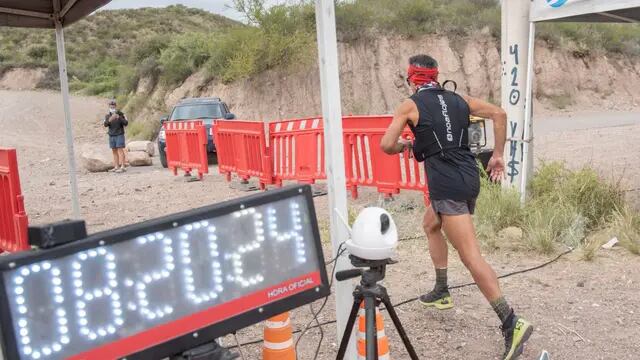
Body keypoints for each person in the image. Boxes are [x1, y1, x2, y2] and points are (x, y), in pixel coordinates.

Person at [380, 55, 533, 360]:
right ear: (436, 77)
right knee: (430, 224)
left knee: (471, 256)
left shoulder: (409, 105)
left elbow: (386, 145)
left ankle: (511, 321)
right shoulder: (459, 98)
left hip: (447, 184)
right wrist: (497, 154)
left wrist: (405, 146)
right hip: (467, 176)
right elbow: (500, 113)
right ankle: (441, 290)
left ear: (412, 79)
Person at [104, 99, 128, 173]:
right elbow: (105, 124)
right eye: (111, 106)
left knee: (120, 150)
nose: (112, 107)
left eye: (113, 105)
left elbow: (126, 123)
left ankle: (123, 166)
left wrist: (119, 117)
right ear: (109, 106)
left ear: (115, 106)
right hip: (111, 135)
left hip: (119, 134)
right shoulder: (107, 115)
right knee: (114, 151)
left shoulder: (121, 114)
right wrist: (110, 120)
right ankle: (116, 166)